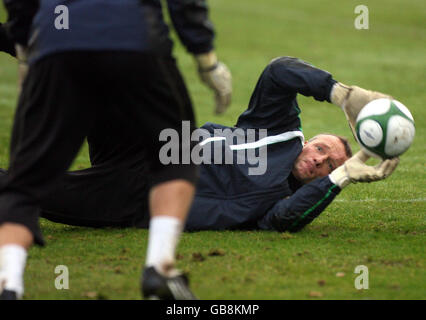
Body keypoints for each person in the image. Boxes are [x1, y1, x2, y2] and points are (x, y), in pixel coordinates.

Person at [0, 48, 399, 235]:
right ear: (308, 140)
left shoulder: (279, 202)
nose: (319, 162)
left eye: (328, 165)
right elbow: (279, 73)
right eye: (321, 149)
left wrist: (342, 176)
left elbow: (285, 220)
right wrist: (341, 93)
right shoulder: (279, 131)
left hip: (142, 194)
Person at [0, 0, 231, 300]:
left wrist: (24, 50)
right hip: (135, 40)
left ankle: (9, 285)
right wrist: (206, 59)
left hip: (58, 45)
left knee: (26, 179)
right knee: (177, 151)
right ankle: (159, 269)